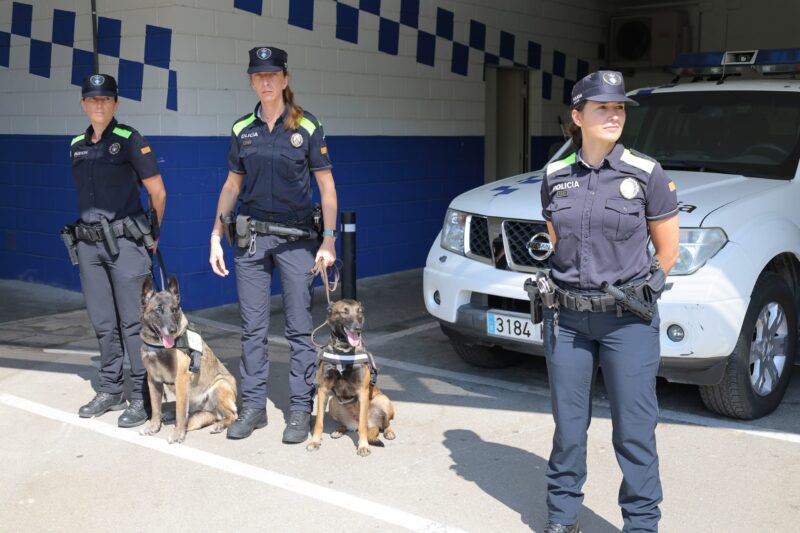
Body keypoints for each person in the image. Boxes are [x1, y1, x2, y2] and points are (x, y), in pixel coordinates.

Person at [539, 71, 679, 533]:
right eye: (603, 108)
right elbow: (558, 241)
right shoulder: (555, 175)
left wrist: (647, 289)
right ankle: (562, 518)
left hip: (628, 322)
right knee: (569, 430)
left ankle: (641, 524)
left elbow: (668, 252)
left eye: (618, 107)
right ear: (578, 117)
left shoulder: (646, 173)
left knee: (635, 432)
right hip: (567, 320)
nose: (614, 114)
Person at [209, 46, 338, 443]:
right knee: (253, 328)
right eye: (257, 75)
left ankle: (300, 408)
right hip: (251, 240)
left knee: (299, 328)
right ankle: (253, 408)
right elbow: (232, 185)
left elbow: (327, 188)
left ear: (285, 79)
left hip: (298, 240)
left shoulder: (308, 126)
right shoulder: (241, 129)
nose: (265, 81)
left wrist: (328, 241)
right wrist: (216, 235)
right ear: (252, 81)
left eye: (272, 75)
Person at [69, 74, 166, 427]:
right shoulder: (77, 145)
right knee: (103, 322)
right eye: (93, 99)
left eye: (106, 99)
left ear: (115, 104)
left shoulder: (129, 140)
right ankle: (110, 388)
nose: (99, 105)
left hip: (125, 244)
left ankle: (143, 396)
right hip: (90, 247)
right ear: (83, 104)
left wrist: (152, 235)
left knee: (132, 323)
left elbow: (158, 192)